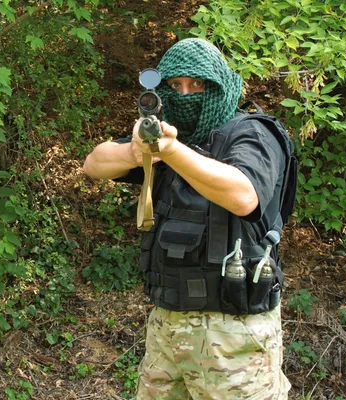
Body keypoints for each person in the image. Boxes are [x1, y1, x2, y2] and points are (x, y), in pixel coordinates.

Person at [83, 38, 292, 399]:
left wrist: (172, 151)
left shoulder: (252, 132)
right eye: (176, 85)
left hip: (234, 331)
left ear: (220, 85)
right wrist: (136, 152)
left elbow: (244, 196)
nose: (186, 93)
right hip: (168, 323)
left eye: (197, 84)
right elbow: (94, 164)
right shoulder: (167, 135)